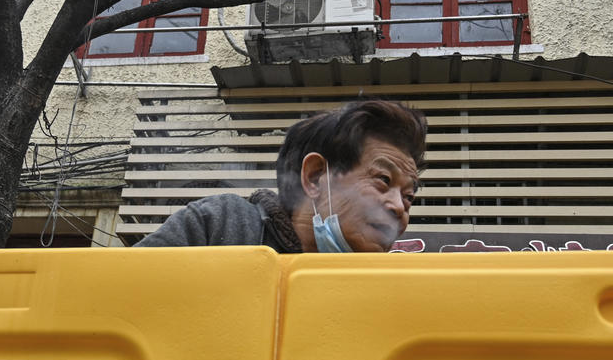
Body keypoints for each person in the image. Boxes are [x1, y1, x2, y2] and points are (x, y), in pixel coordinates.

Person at [134, 100, 427, 252]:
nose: (399, 208)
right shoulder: (223, 225)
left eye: (409, 196)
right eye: (383, 180)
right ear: (314, 178)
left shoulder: (384, 288)